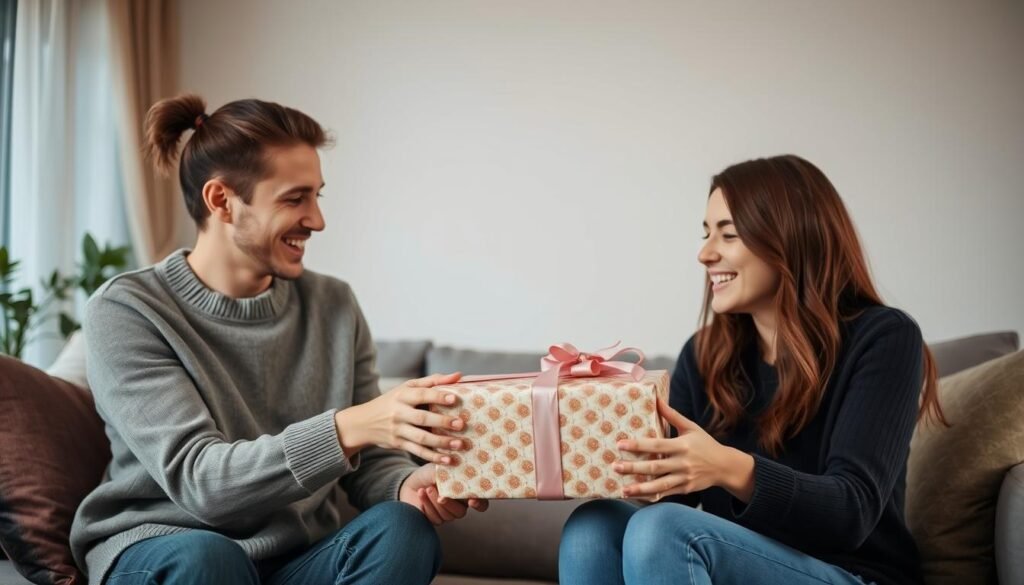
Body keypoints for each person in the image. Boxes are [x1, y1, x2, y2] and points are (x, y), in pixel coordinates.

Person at [69, 94, 486, 585]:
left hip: (294, 561)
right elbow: (202, 482)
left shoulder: (333, 305)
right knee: (209, 559)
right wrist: (350, 425)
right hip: (166, 551)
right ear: (221, 200)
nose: (317, 220)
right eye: (294, 198)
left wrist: (405, 485)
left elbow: (370, 461)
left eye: (317, 196)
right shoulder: (128, 309)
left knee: (403, 530)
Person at [558, 155, 945, 585]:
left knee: (662, 531)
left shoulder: (885, 338)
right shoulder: (705, 356)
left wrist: (727, 466)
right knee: (591, 528)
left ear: (790, 238)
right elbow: (676, 497)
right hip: (742, 564)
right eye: (706, 234)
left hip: (854, 574)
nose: (705, 254)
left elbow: (851, 511)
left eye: (729, 234)